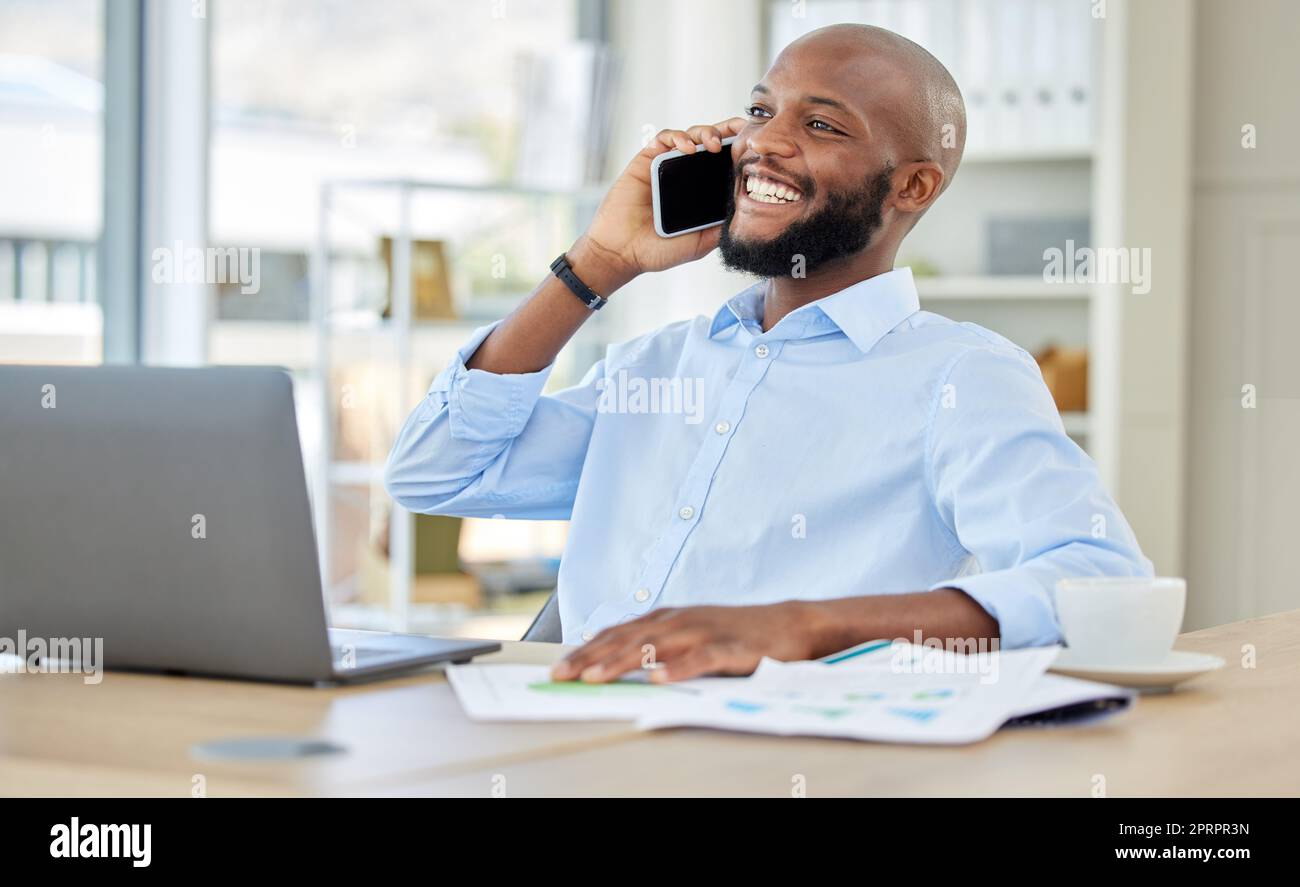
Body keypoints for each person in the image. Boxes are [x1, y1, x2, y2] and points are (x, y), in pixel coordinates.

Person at [385, 24, 1152, 683]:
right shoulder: (654, 368)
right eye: (759, 110)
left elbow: (1099, 579)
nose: (763, 142)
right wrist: (595, 265)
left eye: (822, 126)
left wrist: (803, 627)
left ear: (913, 185)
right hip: (578, 741)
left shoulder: (960, 377)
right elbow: (432, 470)